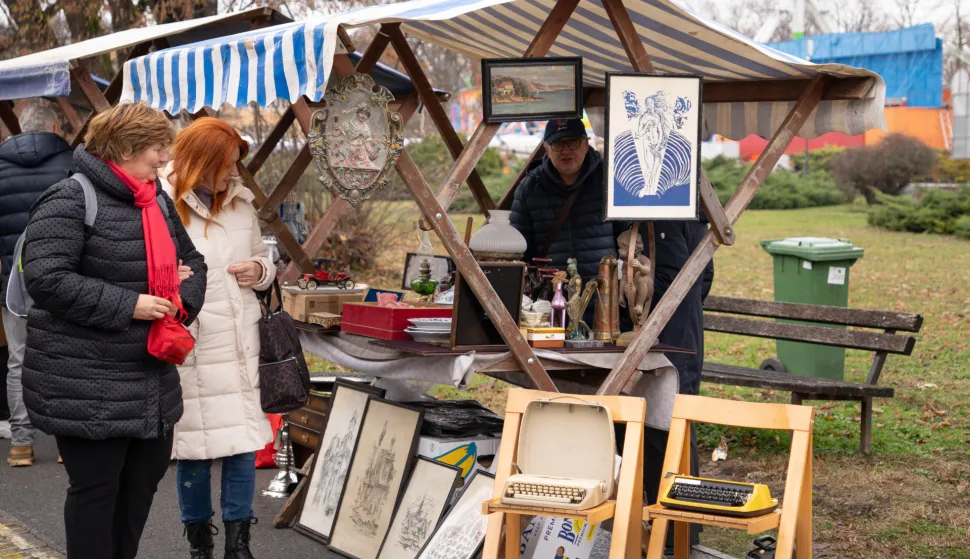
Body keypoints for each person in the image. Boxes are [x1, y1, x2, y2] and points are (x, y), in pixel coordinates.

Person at [20, 102, 208, 559]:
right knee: (96, 494)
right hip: (85, 381)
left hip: (151, 379)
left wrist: (179, 305)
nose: (165, 159)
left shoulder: (157, 199)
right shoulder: (69, 198)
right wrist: (131, 305)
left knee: (139, 491)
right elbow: (45, 278)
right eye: (157, 148)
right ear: (124, 148)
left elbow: (195, 263)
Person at [160, 117, 275, 559]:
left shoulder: (241, 205)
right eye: (227, 164)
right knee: (194, 449)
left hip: (240, 339)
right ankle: (199, 543)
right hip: (193, 341)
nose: (234, 173)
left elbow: (264, 260)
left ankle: (238, 542)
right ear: (202, 162)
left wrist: (259, 271)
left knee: (244, 444)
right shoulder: (163, 205)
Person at [0, 102, 73, 466]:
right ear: (55, 127)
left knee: (18, 360)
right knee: (64, 358)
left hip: (12, 285)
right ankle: (67, 443)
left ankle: (21, 444)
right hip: (63, 280)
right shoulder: (72, 165)